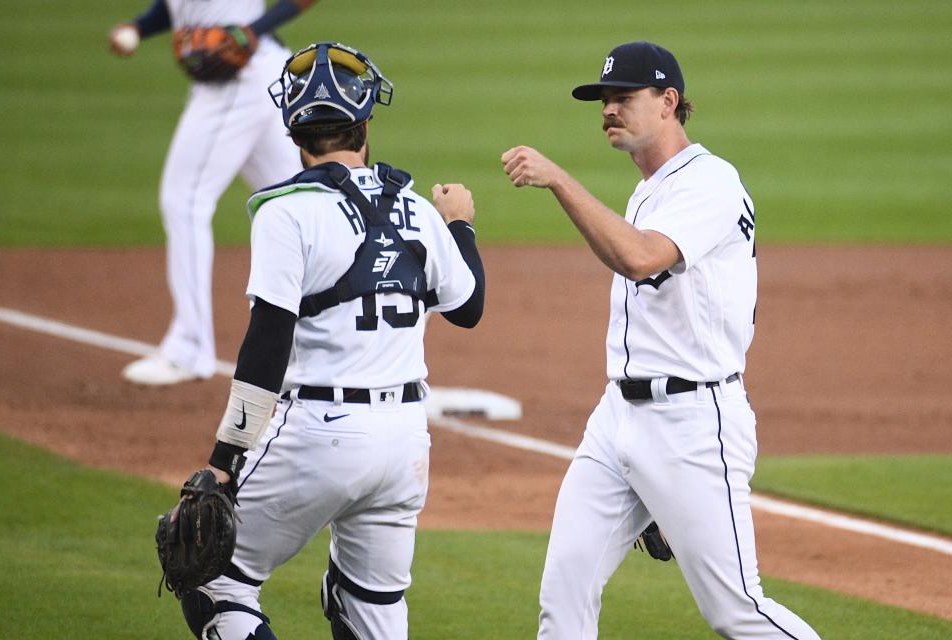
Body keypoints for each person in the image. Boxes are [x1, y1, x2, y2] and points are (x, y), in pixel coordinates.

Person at [501, 41, 821, 639]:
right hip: (618, 418)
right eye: (604, 100)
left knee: (737, 611)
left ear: (669, 101)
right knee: (564, 593)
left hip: (693, 424)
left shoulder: (710, 181)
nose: (608, 110)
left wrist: (558, 180)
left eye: (623, 97)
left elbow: (641, 258)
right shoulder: (653, 188)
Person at [169, 41, 485, 639]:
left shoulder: (285, 213)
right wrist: (460, 226)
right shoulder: (417, 208)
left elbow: (266, 344)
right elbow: (468, 308)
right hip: (405, 444)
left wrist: (223, 461)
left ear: (293, 131)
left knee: (214, 579)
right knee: (373, 605)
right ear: (366, 122)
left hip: (319, 435)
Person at [108, 1, 317, 385]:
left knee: (184, 200)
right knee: (303, 204)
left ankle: (189, 348)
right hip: (261, 75)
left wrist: (255, 29)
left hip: (241, 79)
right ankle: (330, 343)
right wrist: (140, 27)